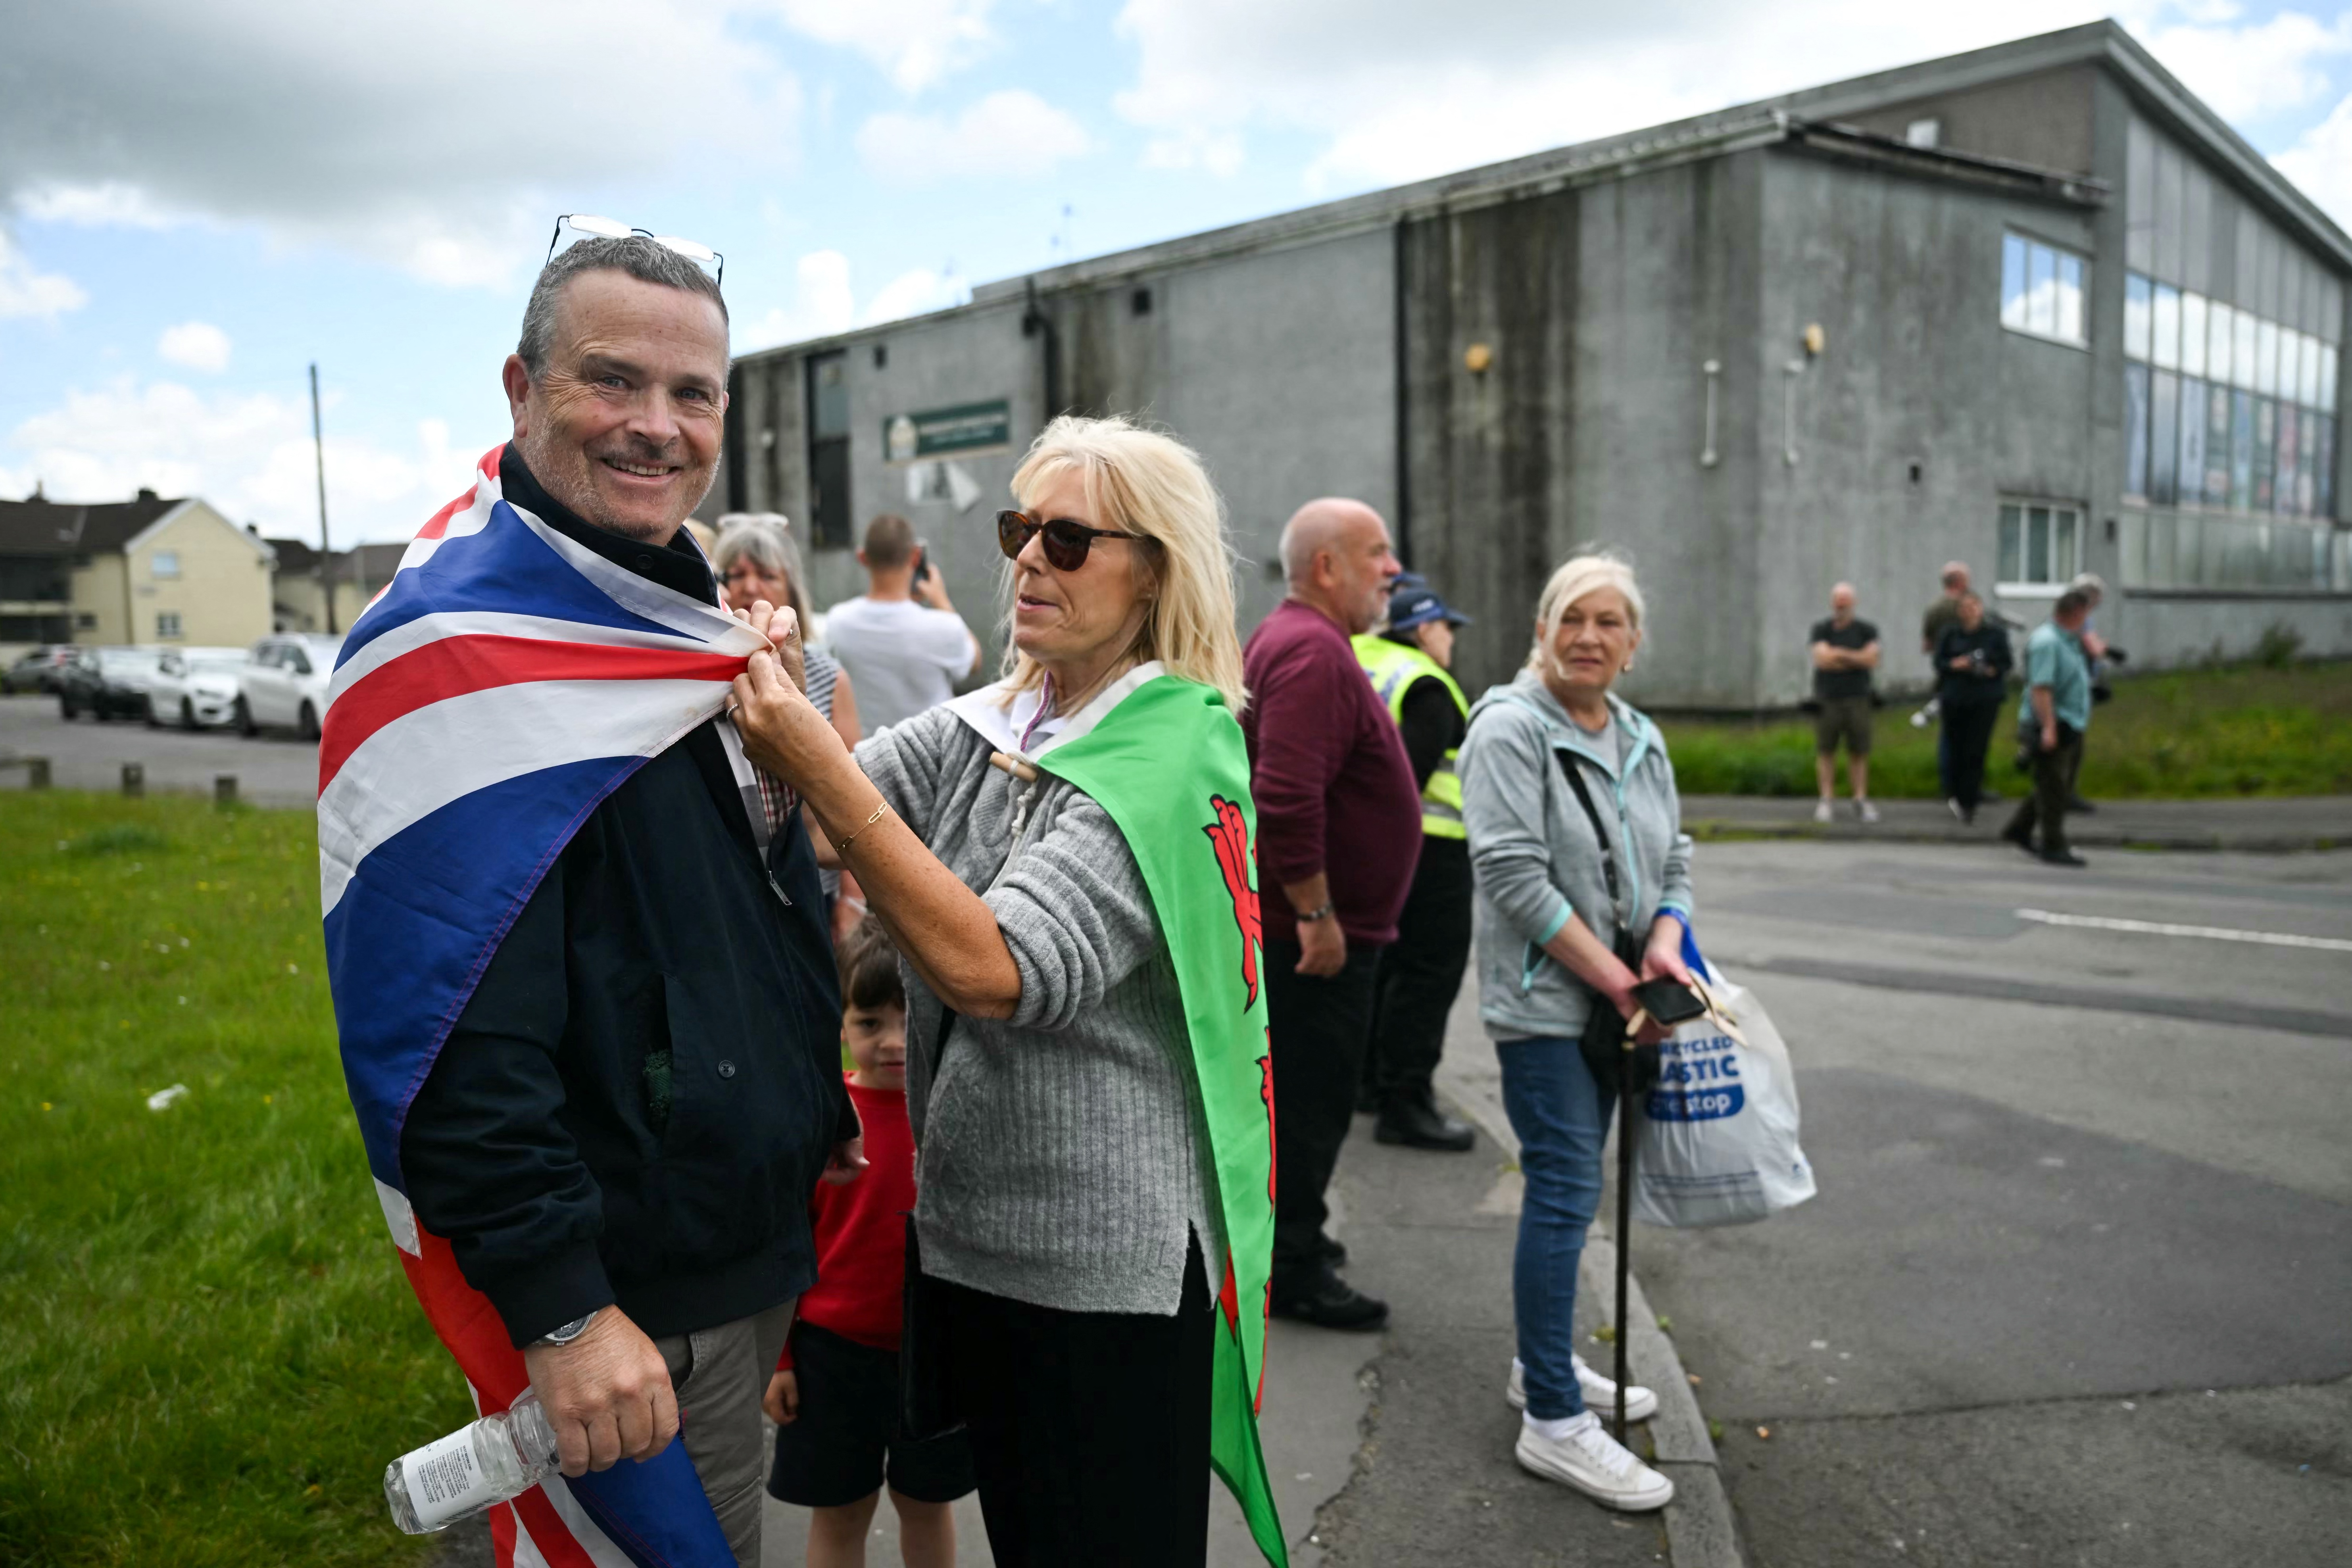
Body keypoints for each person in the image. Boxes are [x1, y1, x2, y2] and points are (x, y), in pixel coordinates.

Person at [336, 234, 861, 1568]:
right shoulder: (455, 653)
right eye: (612, 381)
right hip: (625, 1300)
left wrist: (806, 1099)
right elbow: (446, 1032)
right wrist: (561, 1306)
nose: (657, 426)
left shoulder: (664, 612)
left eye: (693, 394)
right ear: (521, 389)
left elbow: (711, 908)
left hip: (736, 1246)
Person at [728, 414, 1286, 1566]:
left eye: (1068, 539)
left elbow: (999, 968)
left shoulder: (1170, 746)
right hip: (976, 1250)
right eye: (1019, 529)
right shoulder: (1003, 717)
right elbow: (812, 817)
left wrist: (814, 759)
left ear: (1154, 573)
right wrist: (742, 683)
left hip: (1101, 1280)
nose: (1029, 556)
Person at [1456, 551, 1683, 1513]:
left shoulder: (1639, 734)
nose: (1588, 636)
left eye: (1608, 621)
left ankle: (1538, 1363)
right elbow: (1510, 872)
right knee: (1562, 1189)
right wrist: (1620, 981)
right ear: (1540, 630)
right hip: (1548, 1004)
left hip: (1619, 999)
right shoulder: (1508, 727)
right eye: (1571, 618)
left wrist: (1664, 945)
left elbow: (1674, 859)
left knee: (1574, 1187)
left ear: (1633, 643)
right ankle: (1551, 1418)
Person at [1243, 498, 1421, 1331]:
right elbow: (1284, 794)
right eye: (1377, 552)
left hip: (1311, 932)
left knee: (1304, 1099)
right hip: (1309, 942)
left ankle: (1295, 1238)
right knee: (1310, 1103)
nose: (1393, 568)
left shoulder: (1304, 641)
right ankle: (1294, 1266)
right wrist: (1315, 910)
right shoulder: (1312, 651)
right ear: (1326, 567)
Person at [765, 917, 973, 1568]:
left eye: (908, 1018)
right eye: (869, 1021)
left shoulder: (955, 1117)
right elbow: (786, 1246)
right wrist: (779, 1359)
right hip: (832, 1359)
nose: (891, 1040)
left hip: (936, 1354)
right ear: (840, 1024)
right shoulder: (821, 1123)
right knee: (841, 1513)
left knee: (926, 1505)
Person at [1352, 579, 1477, 1153]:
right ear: (1425, 629)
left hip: (1367, 844)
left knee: (1384, 969)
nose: (1451, 639)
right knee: (1427, 977)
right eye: (1448, 627)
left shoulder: (1359, 656)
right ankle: (1407, 1103)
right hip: (1433, 850)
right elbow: (1408, 778)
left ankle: (1369, 1084)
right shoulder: (1428, 684)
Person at [717, 514, 867, 938]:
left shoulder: (828, 676)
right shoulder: (702, 677)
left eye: (767, 575)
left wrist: (852, 901)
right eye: (737, 574)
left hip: (810, 886)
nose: (751, 587)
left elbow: (852, 790)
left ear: (792, 591)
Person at [824, 513, 981, 732]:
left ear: (862, 557)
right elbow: (975, 662)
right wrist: (941, 600)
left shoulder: (838, 621)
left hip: (867, 750)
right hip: (930, 748)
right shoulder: (943, 627)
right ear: (916, 557)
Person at [2002, 587, 2095, 867]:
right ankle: (2053, 845)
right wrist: (2049, 728)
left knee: (2054, 784)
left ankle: (2019, 829)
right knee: (2054, 788)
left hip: (2070, 721)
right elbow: (2041, 688)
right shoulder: (2048, 642)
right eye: (2086, 614)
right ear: (2076, 613)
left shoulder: (2069, 640)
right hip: (2051, 722)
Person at [1933, 590, 2012, 823]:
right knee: (1956, 747)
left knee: (1976, 748)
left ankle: (1971, 798)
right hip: (1955, 697)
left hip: (1984, 697)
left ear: (1980, 609)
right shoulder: (1950, 633)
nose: (1969, 612)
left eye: (1974, 607)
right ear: (1959, 612)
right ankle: (1955, 793)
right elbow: (1939, 662)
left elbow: (2006, 663)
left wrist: (1990, 669)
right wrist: (1956, 664)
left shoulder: (1995, 634)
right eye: (1965, 608)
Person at [1809, 582, 1881, 823]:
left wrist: (1839, 654)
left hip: (1858, 698)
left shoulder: (1866, 630)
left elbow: (1871, 660)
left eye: (1846, 600)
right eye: (1838, 600)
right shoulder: (1822, 629)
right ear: (1833, 603)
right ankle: (1826, 799)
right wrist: (1855, 658)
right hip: (1828, 698)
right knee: (1826, 750)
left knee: (1859, 751)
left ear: (1854, 602)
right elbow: (1822, 660)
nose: (1842, 605)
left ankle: (1860, 798)